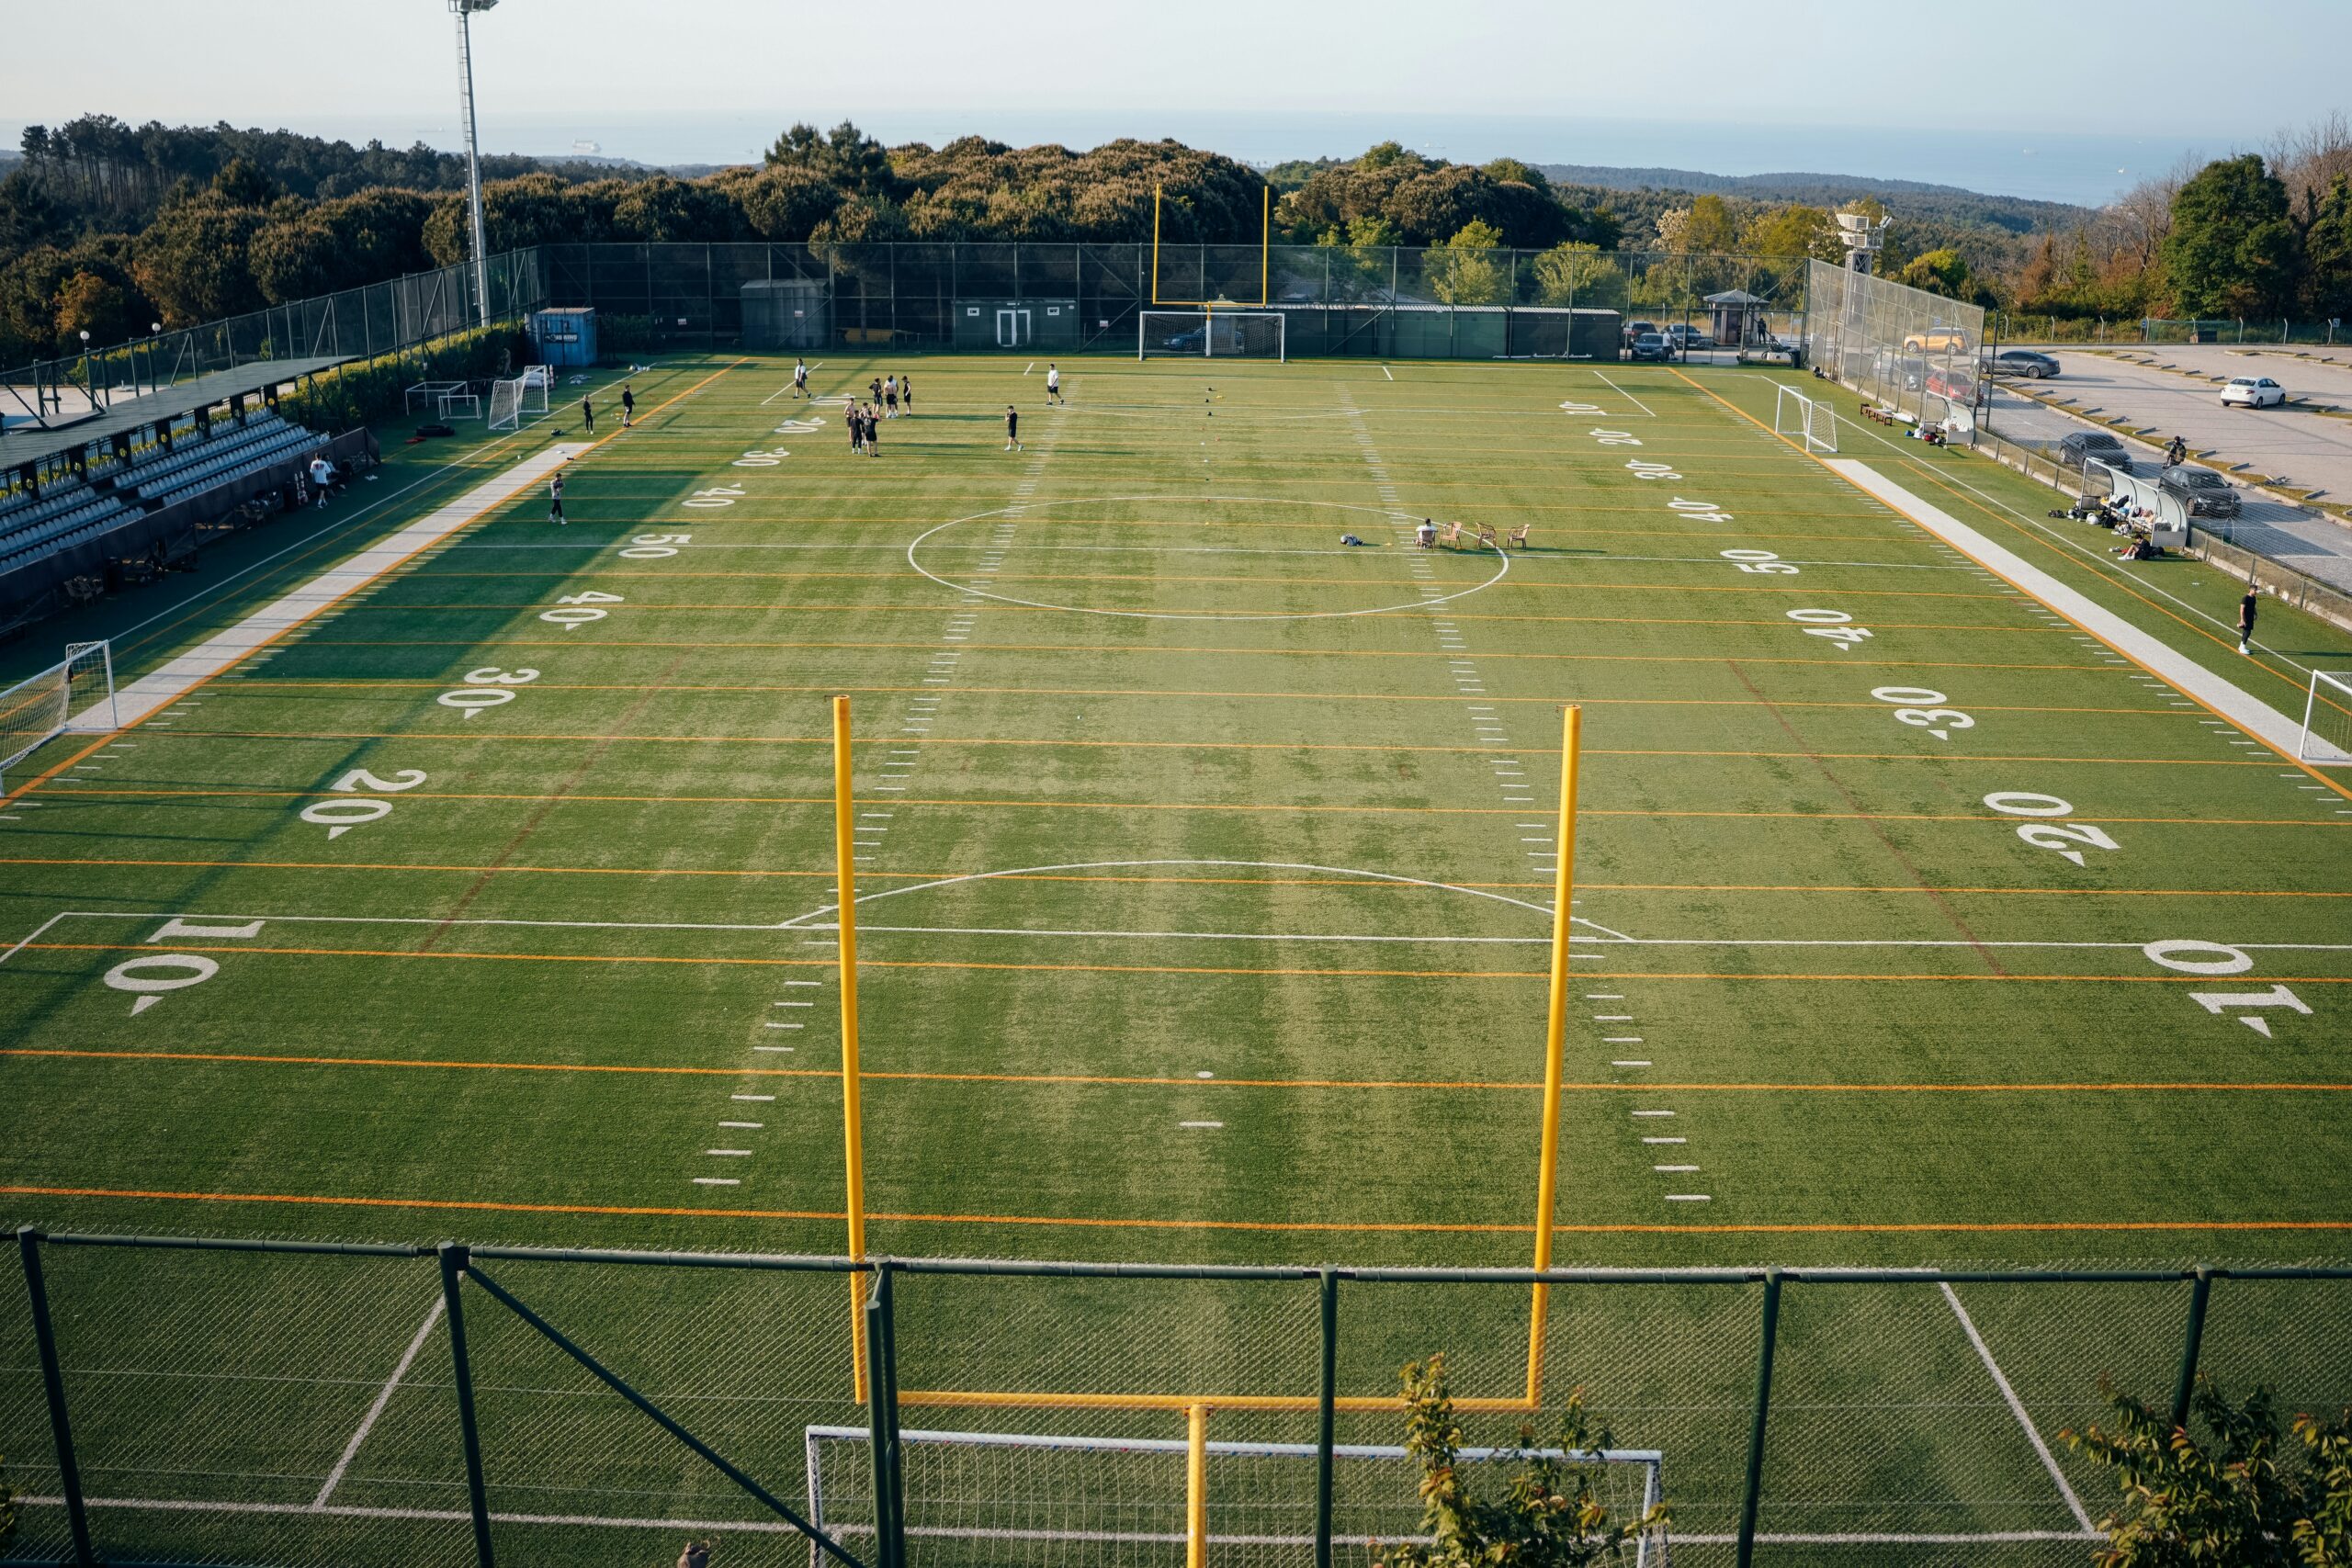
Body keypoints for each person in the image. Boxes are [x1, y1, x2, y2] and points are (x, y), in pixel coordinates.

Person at [2239, 582, 2259, 655]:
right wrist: (2242, 619)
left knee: (2246, 632)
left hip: (2250, 617)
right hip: (2246, 617)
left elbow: (2253, 607)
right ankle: (2242, 648)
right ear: (2251, 590)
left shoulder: (2253, 598)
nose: (2256, 592)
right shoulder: (2245, 598)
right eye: (2255, 590)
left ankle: (2241, 646)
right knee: (2247, 632)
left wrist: (2256, 614)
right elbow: (2242, 609)